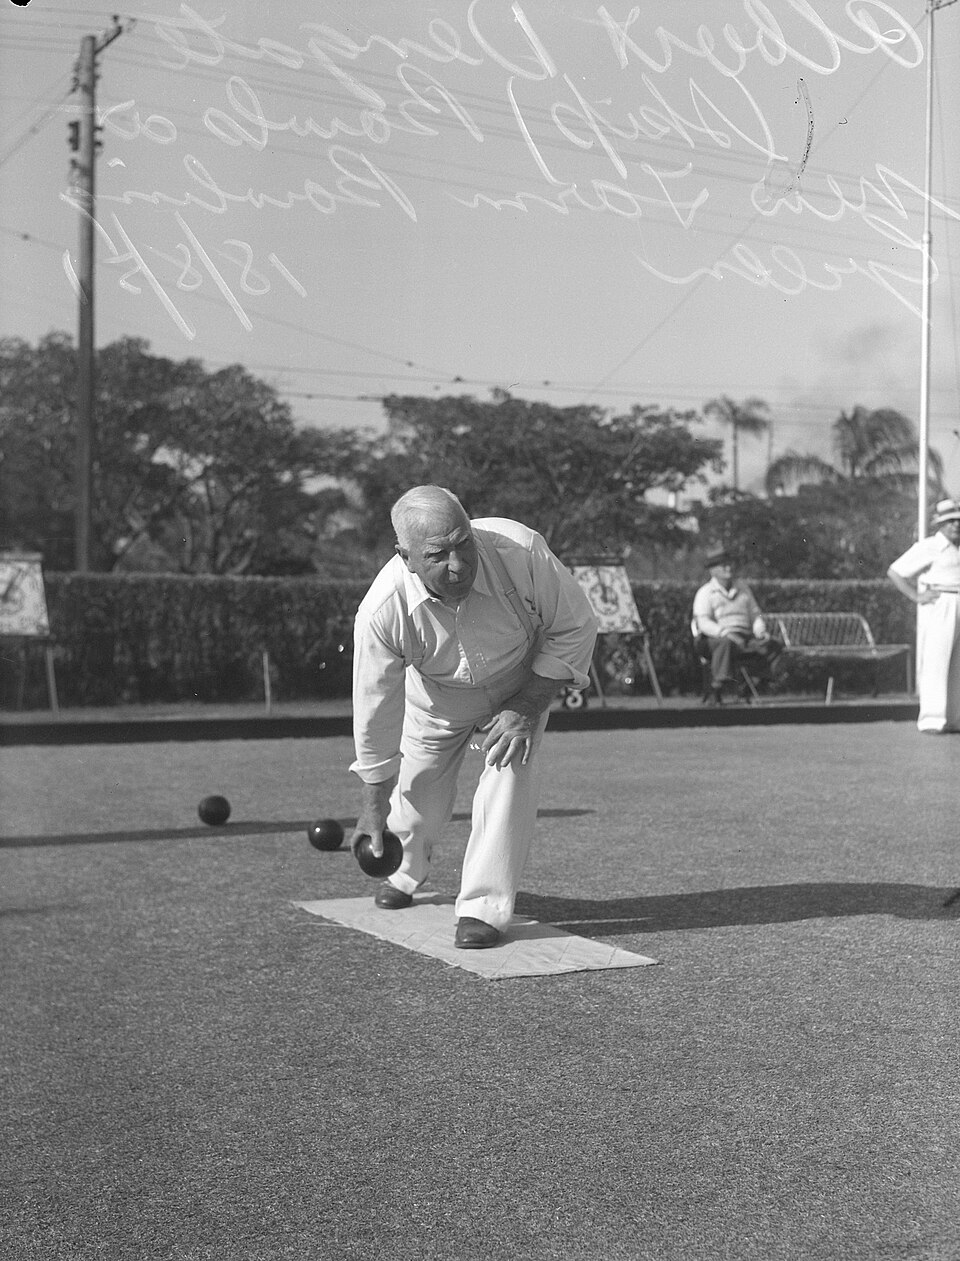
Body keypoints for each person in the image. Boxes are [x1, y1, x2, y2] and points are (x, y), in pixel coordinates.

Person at [349, 486, 598, 949]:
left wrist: (526, 705)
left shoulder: (519, 551)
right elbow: (374, 708)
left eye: (463, 543)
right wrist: (371, 803)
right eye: (437, 555)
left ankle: (483, 907)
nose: (458, 564)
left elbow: (577, 624)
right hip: (436, 697)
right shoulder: (383, 611)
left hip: (521, 682)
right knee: (420, 792)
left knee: (510, 769)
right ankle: (406, 870)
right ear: (404, 556)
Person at [887, 497, 960, 734]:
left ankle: (955, 718)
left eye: (959, 521)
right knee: (937, 661)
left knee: (958, 665)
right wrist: (916, 596)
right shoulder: (929, 546)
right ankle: (932, 720)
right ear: (940, 523)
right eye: (950, 521)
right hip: (941, 604)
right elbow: (895, 571)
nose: (956, 525)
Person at [692, 547, 781, 704]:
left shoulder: (743, 589)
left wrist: (760, 631)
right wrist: (725, 633)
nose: (729, 568)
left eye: (730, 564)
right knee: (724, 644)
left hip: (744, 637)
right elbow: (703, 623)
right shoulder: (705, 592)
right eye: (723, 565)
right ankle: (716, 689)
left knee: (773, 645)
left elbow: (755, 615)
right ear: (713, 570)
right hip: (714, 639)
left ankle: (749, 686)